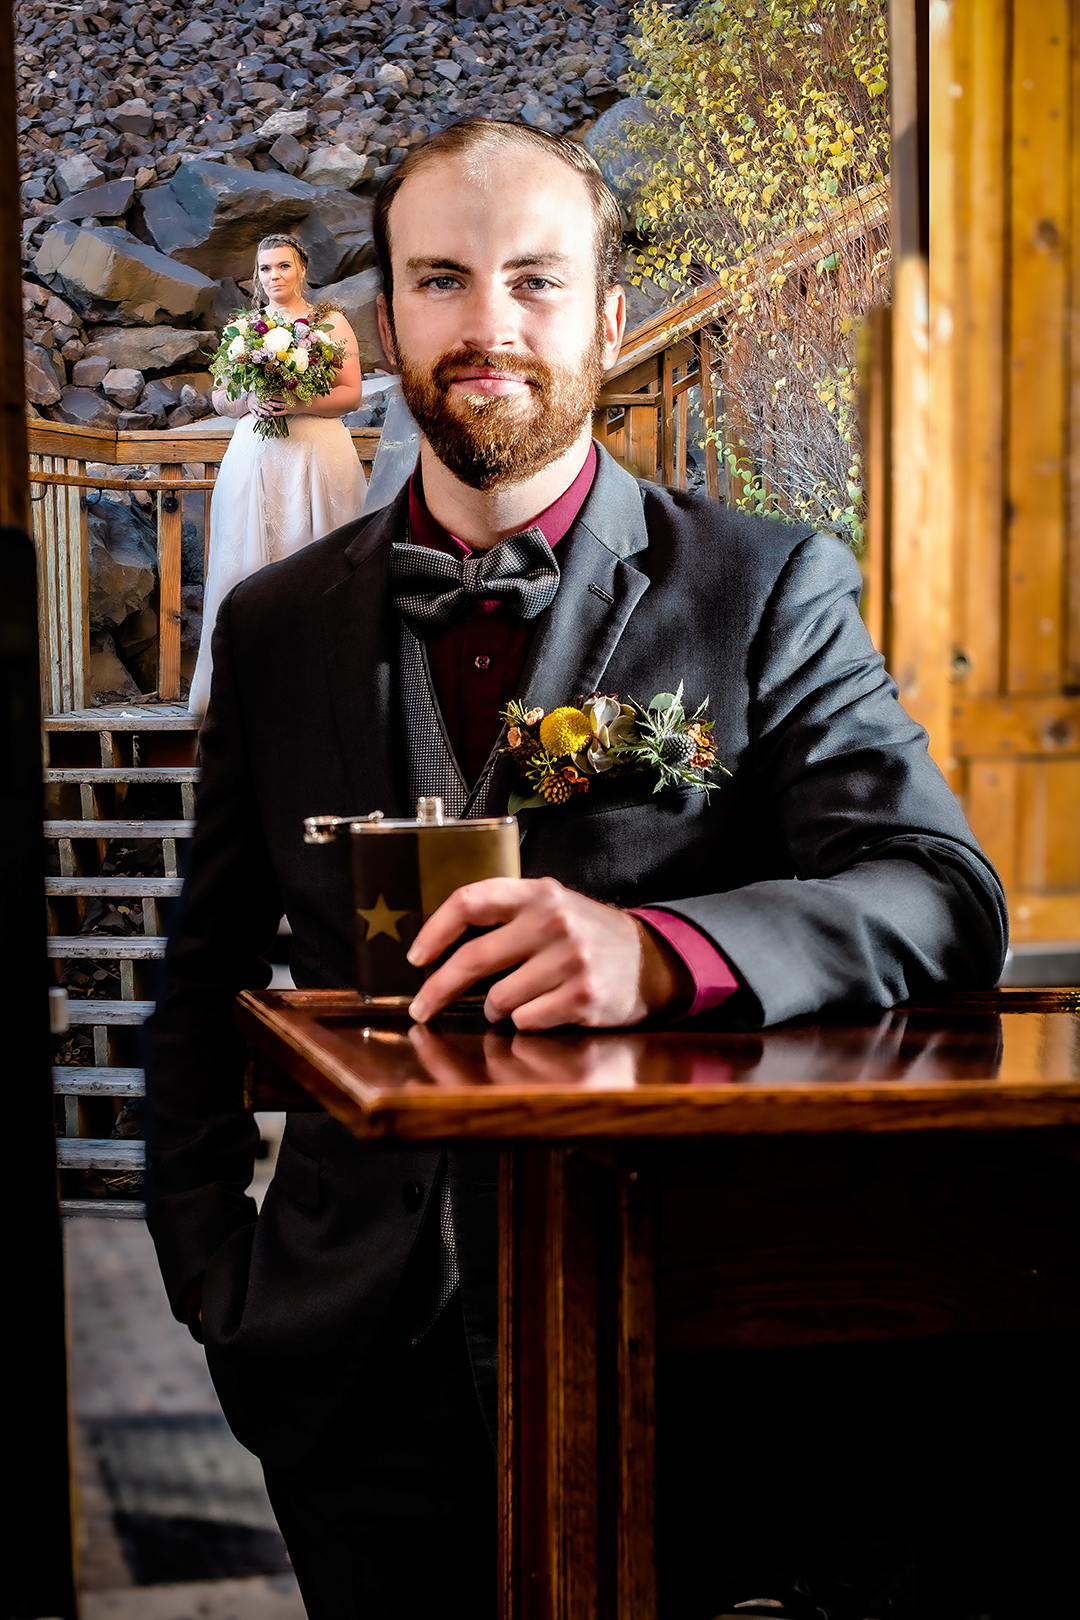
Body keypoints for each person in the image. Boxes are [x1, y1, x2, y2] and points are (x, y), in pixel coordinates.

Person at [148, 121, 1008, 1618]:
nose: (490, 327)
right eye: (444, 281)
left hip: (696, 1380)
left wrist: (666, 952)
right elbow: (198, 982)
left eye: (536, 282)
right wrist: (220, 1289)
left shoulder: (767, 586)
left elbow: (940, 892)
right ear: (391, 320)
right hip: (351, 1390)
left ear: (608, 318)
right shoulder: (274, 626)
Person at [188, 233, 367, 713]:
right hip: (257, 458)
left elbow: (351, 394)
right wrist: (250, 401)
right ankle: (248, 688)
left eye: (283, 266)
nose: (274, 276)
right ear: (257, 275)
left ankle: (322, 686)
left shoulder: (331, 322)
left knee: (315, 556)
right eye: (266, 268)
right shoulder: (245, 328)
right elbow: (221, 399)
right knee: (250, 561)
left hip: (317, 454)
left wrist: (297, 400)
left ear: (302, 269)